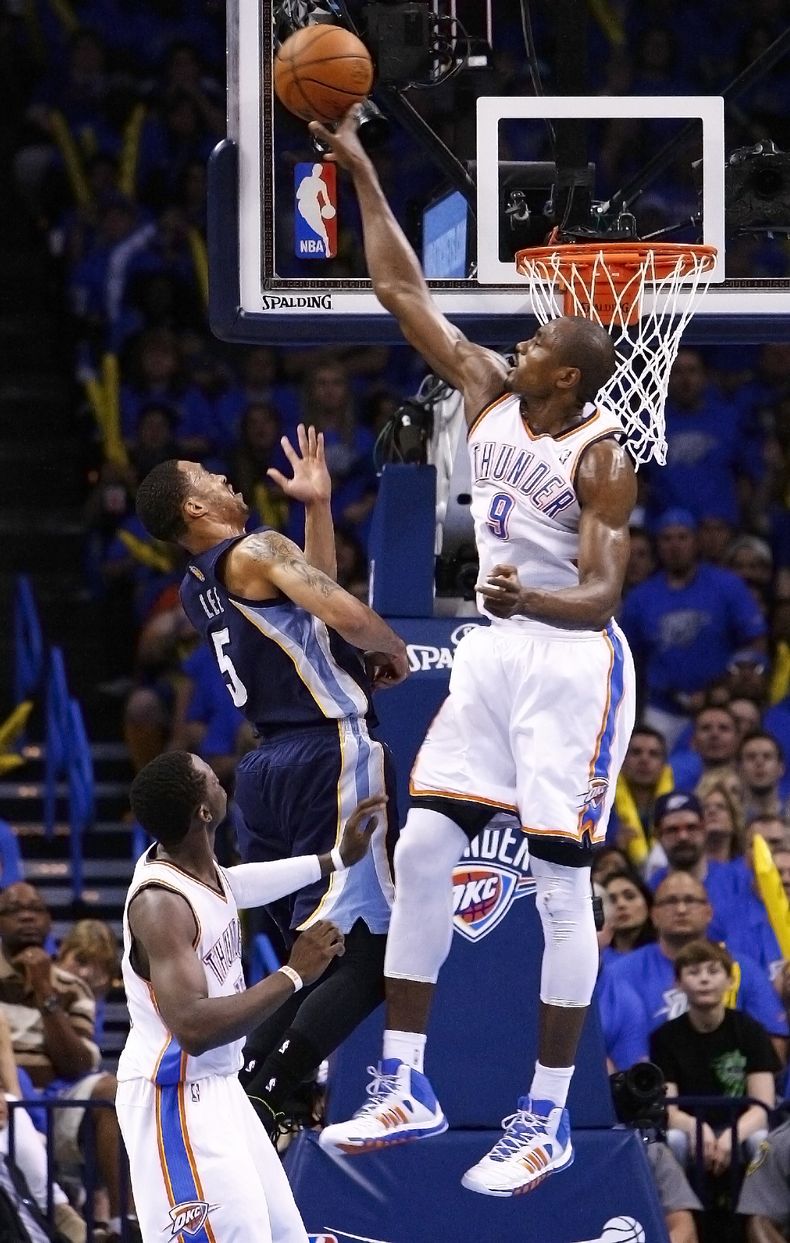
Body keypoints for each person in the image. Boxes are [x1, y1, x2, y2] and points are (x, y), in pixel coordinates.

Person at [312, 105, 637, 1198]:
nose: (523, 339)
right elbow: (404, 293)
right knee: (421, 854)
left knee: (556, 889)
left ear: (567, 380)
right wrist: (359, 164)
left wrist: (530, 593)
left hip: (571, 670)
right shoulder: (489, 390)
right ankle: (406, 1083)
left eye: (542, 342)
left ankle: (543, 1115)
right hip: (498, 653)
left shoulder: (603, 461)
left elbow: (598, 595)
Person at [134, 427, 408, 1140]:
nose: (225, 479)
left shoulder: (201, 585)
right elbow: (340, 611)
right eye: (207, 476)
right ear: (192, 511)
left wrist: (316, 508)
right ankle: (267, 1083)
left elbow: (309, 605)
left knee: (326, 949)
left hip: (266, 771)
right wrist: (387, 649)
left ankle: (263, 1081)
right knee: (375, 952)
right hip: (328, 750)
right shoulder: (255, 551)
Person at [117, 749, 385, 1243]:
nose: (221, 779)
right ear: (203, 812)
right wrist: (294, 973)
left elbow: (236, 886)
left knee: (284, 1234)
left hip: (219, 1088)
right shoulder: (161, 906)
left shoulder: (200, 869)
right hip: (174, 1096)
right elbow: (194, 1028)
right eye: (209, 777)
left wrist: (335, 860)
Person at [604, 872, 788, 1048]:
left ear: (709, 912)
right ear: (654, 915)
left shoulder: (742, 968)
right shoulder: (621, 973)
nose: (681, 909)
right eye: (670, 901)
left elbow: (775, 1039)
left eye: (690, 900)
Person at [650, 939, 778, 1175]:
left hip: (741, 1126)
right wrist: (696, 1127)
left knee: (760, 1139)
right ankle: (680, 1209)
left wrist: (732, 1135)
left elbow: (762, 1106)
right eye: (693, 972)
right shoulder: (664, 1037)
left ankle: (758, 1211)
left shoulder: (752, 1031)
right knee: (675, 1140)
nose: (704, 979)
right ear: (678, 983)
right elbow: (669, 1109)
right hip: (690, 1129)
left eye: (713, 971)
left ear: (730, 981)